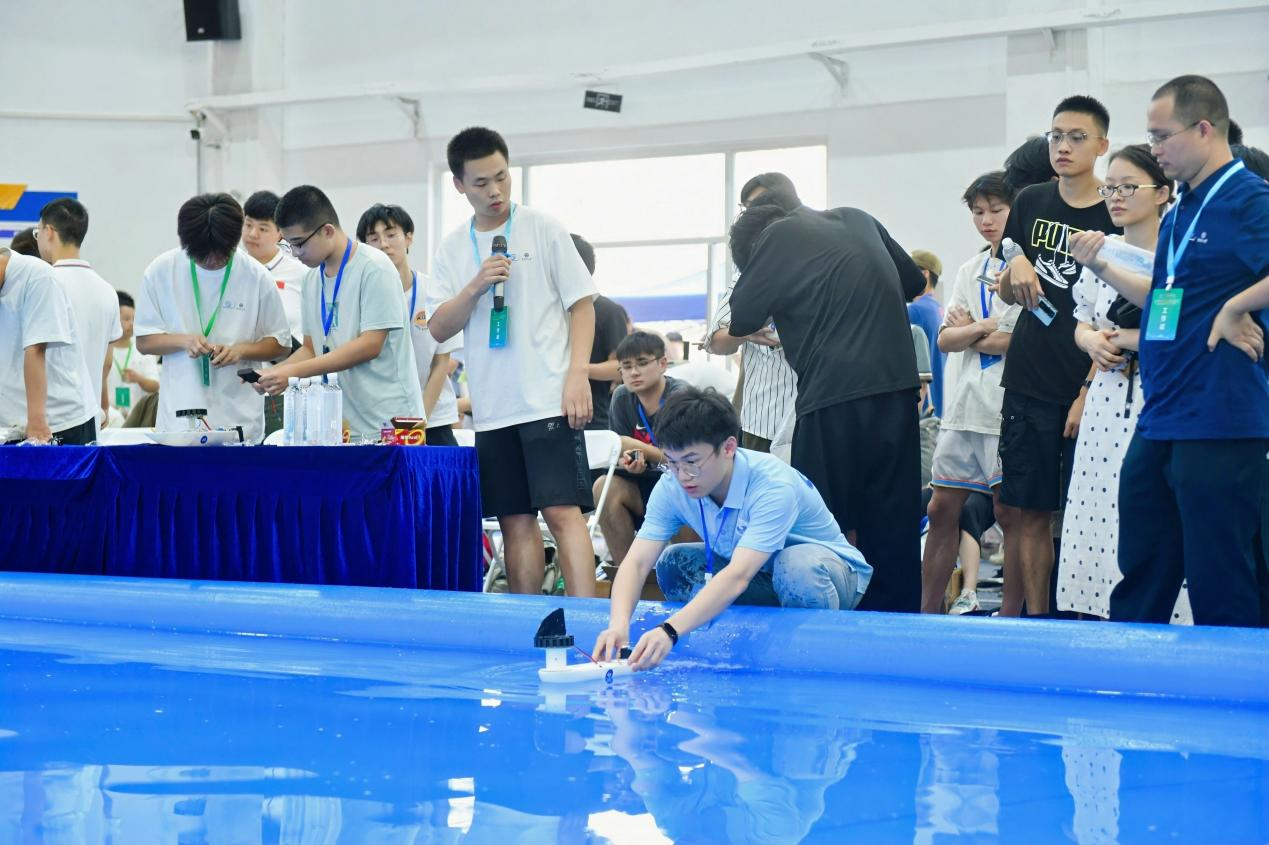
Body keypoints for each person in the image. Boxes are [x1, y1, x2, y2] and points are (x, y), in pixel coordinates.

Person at [1068, 75, 1267, 627]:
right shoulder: (1181, 211)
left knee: (1218, 574)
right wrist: (1101, 265)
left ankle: (1231, 677)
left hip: (1220, 417)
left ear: (1203, 130)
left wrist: (1236, 307)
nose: (1154, 148)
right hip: (1162, 413)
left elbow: (1224, 301)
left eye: (1161, 136)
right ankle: (1134, 665)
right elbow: (1166, 300)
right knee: (1144, 562)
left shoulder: (1248, 198)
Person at [726, 200, 926, 613]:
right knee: (894, 522)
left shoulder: (776, 236)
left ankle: (827, 627)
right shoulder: (857, 216)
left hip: (832, 396)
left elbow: (742, 316)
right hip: (896, 389)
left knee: (819, 524)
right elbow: (912, 282)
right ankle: (895, 625)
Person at [426, 127, 598, 597]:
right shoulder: (452, 249)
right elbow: (438, 327)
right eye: (481, 183)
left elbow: (582, 305)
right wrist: (476, 285)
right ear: (459, 185)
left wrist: (577, 375)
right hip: (493, 406)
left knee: (562, 513)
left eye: (501, 177)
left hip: (547, 397)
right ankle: (525, 621)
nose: (495, 191)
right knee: (514, 519)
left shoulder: (542, 227)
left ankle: (588, 621)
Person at [594, 386, 872, 670]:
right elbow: (637, 563)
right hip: (763, 577)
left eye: (692, 462)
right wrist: (618, 625)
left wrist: (670, 630)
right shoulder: (672, 484)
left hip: (826, 575)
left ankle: (814, 654)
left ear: (728, 448)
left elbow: (739, 575)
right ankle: (733, 638)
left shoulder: (772, 485)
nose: (683, 476)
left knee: (795, 566)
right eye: (673, 463)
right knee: (674, 563)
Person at [995, 95, 1121, 617]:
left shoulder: (1113, 212)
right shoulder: (1031, 202)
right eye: (1056, 136)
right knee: (1028, 512)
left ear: (1102, 145)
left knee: (1089, 513)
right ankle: (1038, 621)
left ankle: (1084, 620)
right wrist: (1016, 267)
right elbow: (1009, 292)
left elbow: (1117, 316)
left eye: (1076, 137)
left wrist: (1087, 390)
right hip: (1028, 378)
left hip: (1091, 383)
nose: (1063, 146)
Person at [1057, 145, 1191, 621]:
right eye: (1110, 188)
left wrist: (1122, 338)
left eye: (1128, 187)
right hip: (1106, 398)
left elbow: (1176, 324)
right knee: (1100, 504)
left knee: (1149, 510)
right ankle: (1099, 612)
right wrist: (1091, 341)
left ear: (1163, 193)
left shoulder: (1178, 255)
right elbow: (1080, 321)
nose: (1115, 196)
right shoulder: (1100, 248)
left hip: (1158, 397)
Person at [921, 171, 1021, 615]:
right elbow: (945, 340)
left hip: (1004, 408)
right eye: (978, 212)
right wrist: (986, 327)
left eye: (996, 210)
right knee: (941, 509)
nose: (986, 220)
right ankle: (926, 613)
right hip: (961, 410)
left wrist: (971, 331)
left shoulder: (1030, 271)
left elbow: (1016, 340)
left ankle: (1013, 616)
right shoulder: (969, 269)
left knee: (1009, 514)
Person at [258, 186, 424, 440]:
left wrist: (292, 373)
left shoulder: (374, 267)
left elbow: (370, 345)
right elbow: (311, 348)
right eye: (288, 245)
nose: (296, 253)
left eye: (299, 244)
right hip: (341, 422)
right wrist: (273, 373)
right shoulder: (311, 279)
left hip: (392, 422)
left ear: (327, 231)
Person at [134, 193, 290, 444]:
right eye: (202, 255)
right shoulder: (161, 271)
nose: (211, 261)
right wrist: (184, 341)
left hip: (239, 419)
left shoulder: (256, 276)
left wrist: (240, 351)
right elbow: (144, 341)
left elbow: (281, 344)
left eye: (220, 255)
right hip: (180, 418)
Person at [705, 174, 800, 453]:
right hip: (764, 414)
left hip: (814, 410)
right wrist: (746, 332)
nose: (752, 214)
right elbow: (716, 341)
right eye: (747, 207)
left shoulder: (819, 260)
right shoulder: (746, 272)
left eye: (760, 204)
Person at [357, 203, 460, 445]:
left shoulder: (433, 291)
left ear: (409, 238)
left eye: (391, 235)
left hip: (433, 419)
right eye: (374, 239)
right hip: (379, 422)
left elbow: (441, 363)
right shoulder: (361, 297)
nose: (384, 244)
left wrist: (418, 423)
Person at [593, 331, 688, 564]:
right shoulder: (621, 397)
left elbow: (689, 462)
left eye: (642, 363)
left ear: (663, 364)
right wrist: (630, 460)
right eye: (626, 366)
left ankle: (688, 571)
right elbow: (622, 454)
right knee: (604, 486)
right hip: (643, 488)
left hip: (684, 484)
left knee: (683, 488)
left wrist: (638, 447)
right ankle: (627, 571)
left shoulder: (681, 396)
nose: (634, 372)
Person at [36, 198, 121, 429]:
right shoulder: (107, 290)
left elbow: (33, 353)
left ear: (48, 232)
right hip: (90, 416)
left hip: (51, 421)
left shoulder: (44, 283)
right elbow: (106, 363)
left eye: (38, 232)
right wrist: (103, 406)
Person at [0, 247, 97, 444]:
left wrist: (37, 419)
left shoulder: (37, 276)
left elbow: (36, 349)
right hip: (10, 426)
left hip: (57, 422)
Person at [571, 234, 630, 431]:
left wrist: (577, 369)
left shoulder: (608, 311)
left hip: (593, 416)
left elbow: (620, 366)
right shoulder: (548, 312)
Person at [241, 190, 306, 347]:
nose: (252, 234)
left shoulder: (301, 274)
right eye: (248, 225)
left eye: (263, 229)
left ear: (280, 233)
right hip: (241, 360)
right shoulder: (232, 270)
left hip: (290, 360)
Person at [105, 291, 160, 424]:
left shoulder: (142, 349)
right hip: (109, 419)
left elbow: (155, 386)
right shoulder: (104, 350)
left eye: (134, 319)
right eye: (126, 319)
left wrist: (139, 379)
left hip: (138, 420)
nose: (131, 324)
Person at [907, 249, 946, 418]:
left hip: (921, 407)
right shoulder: (938, 309)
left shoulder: (915, 310)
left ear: (924, 274)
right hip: (939, 404)